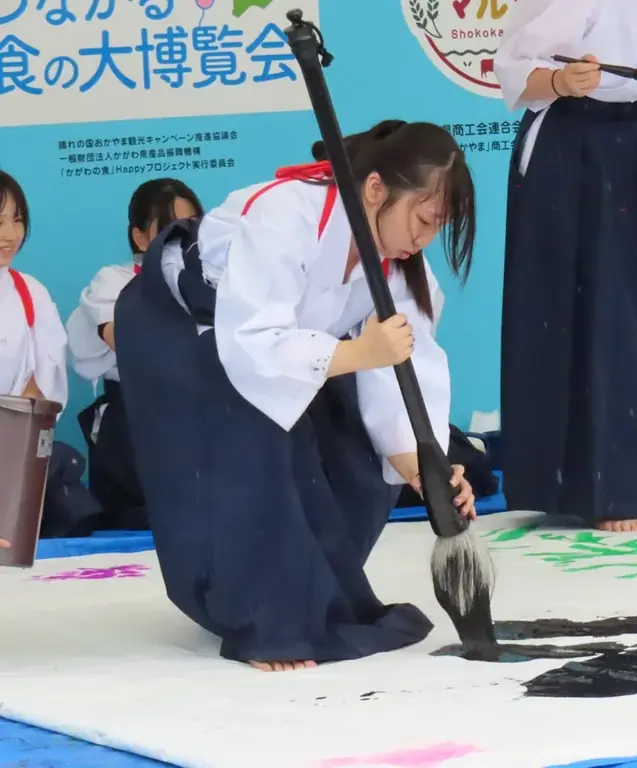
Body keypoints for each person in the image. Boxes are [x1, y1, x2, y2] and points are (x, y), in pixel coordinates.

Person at [113, 120, 478, 671]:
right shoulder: (286, 215)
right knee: (255, 447)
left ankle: (310, 597)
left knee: (353, 450)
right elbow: (253, 341)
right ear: (376, 190)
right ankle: (263, 617)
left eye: (437, 227)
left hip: (292, 349)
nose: (423, 239)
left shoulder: (404, 264)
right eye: (423, 220)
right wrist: (356, 356)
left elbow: (406, 365)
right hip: (186, 329)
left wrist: (423, 468)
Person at [493, 0, 637, 533]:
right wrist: (559, 80)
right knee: (591, 309)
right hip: (569, 146)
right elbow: (515, 71)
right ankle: (602, 486)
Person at [66, 178, 203, 531]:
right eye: (170, 228)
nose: (183, 237)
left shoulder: (212, 281)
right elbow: (128, 342)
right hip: (134, 415)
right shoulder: (114, 281)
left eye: (192, 226)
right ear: (140, 236)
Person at [0, 171, 103, 539]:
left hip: (12, 452)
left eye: (17, 219)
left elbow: (43, 378)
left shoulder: (31, 292)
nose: (10, 234)